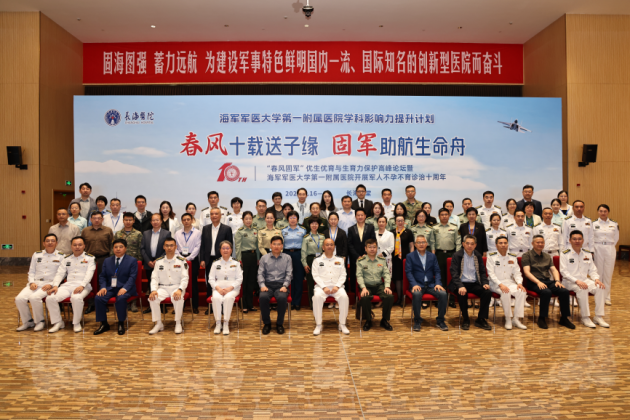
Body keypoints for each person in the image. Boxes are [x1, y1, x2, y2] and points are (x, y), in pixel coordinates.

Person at [522, 235, 574, 329]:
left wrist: (557, 281)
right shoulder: (527, 255)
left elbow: (554, 270)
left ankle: (564, 318)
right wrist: (538, 282)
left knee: (564, 291)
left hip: (547, 281)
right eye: (538, 242)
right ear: (532, 243)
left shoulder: (547, 256)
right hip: (533, 282)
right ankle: (542, 318)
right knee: (546, 292)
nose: (540, 244)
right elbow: (527, 272)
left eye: (542, 242)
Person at [15, 234, 64, 332]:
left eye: (52, 241)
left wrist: (52, 284)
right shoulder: (37, 254)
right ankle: (28, 321)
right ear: (43, 243)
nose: (50, 243)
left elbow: (61, 274)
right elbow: (31, 271)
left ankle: (40, 321)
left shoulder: (61, 256)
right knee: (19, 299)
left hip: (49, 285)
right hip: (35, 283)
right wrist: (31, 282)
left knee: (34, 298)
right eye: (47, 241)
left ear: (56, 243)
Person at [560, 230, 609, 328]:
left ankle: (598, 316)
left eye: (579, 239)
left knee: (600, 287)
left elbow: (592, 269)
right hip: (570, 282)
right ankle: (585, 317)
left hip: (585, 280)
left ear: (583, 240)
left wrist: (596, 279)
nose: (577, 241)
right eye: (574, 239)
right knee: (583, 288)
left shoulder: (587, 253)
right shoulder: (565, 254)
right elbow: (564, 272)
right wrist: (576, 281)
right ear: (570, 240)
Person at [47, 237, 95, 333]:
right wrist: (55, 285)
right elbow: (60, 273)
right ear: (71, 246)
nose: (77, 247)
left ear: (84, 246)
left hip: (83, 285)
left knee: (76, 298)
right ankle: (58, 322)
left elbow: (89, 273)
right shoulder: (66, 258)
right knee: (50, 298)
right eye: (75, 245)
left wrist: (82, 285)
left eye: (80, 245)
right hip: (68, 285)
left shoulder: (90, 258)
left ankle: (76, 323)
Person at [94, 238, 138, 336]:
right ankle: (104, 324)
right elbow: (102, 276)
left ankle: (121, 323)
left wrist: (124, 288)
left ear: (125, 248)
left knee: (121, 298)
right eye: (116, 247)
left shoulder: (132, 260)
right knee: (98, 298)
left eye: (121, 247)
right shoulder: (107, 260)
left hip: (126, 288)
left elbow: (132, 277)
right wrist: (103, 287)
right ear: (112, 249)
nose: (118, 249)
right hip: (110, 288)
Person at [405, 234, 448, 331]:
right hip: (417, 285)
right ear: (415, 244)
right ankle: (417, 320)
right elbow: (408, 272)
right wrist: (414, 284)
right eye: (419, 242)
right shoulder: (410, 256)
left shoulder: (432, 256)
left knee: (443, 294)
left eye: (423, 242)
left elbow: (437, 271)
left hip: (431, 284)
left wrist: (438, 283)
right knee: (416, 295)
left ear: (426, 244)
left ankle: (440, 320)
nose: (421, 244)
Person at [449, 235, 492, 331]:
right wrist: (460, 285)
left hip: (474, 283)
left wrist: (485, 282)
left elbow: (482, 271)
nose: (469, 246)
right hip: (461, 283)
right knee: (462, 293)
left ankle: (481, 319)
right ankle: (465, 319)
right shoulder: (457, 255)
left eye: (472, 244)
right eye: (467, 243)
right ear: (463, 244)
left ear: (475, 245)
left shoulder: (478, 255)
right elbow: (454, 273)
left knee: (487, 292)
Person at [148, 238, 189, 335]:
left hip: (177, 287)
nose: (169, 248)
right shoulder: (159, 262)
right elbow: (154, 278)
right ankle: (158, 323)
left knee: (178, 298)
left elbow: (185, 278)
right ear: (164, 247)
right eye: (167, 245)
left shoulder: (182, 261)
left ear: (176, 247)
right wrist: (153, 290)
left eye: (171, 245)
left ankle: (178, 323)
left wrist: (180, 289)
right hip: (163, 288)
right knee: (152, 298)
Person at [486, 237, 527, 330]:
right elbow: (491, 274)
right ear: (496, 245)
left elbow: (517, 272)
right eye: (500, 243)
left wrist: (519, 283)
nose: (503, 245)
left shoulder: (512, 256)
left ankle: (516, 319)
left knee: (521, 291)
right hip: (495, 284)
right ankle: (508, 318)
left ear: (508, 244)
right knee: (506, 292)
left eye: (505, 243)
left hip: (509, 282)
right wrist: (500, 284)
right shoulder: (491, 257)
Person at [311, 238, 350, 335]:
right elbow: (315, 275)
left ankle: (342, 324)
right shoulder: (317, 260)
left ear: (334, 247)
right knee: (317, 297)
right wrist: (324, 287)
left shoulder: (340, 260)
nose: (329, 246)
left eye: (331, 244)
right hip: (321, 287)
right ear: (323, 247)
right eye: (327, 245)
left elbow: (343, 275)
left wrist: (337, 286)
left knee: (344, 297)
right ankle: (318, 324)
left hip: (337, 287)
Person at [200, 207, 234, 314]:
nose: (214, 216)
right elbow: (202, 245)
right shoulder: (205, 228)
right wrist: (202, 259)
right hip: (209, 259)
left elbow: (230, 245)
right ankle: (211, 306)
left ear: (220, 215)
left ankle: (223, 307)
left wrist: (227, 259)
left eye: (216, 214)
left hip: (222, 260)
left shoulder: (226, 229)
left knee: (222, 282)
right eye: (212, 214)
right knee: (211, 282)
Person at [258, 236, 293, 335]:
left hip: (281, 285)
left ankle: (279, 324)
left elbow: (289, 274)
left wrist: (285, 286)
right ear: (270, 245)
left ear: (282, 246)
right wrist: (262, 285)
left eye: (278, 244)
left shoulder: (287, 258)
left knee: (282, 298)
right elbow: (260, 273)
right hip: (267, 285)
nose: (276, 246)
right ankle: (267, 323)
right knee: (263, 297)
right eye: (274, 244)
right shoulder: (264, 258)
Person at [357, 239, 394, 331]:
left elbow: (386, 274)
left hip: (379, 285)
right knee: (365, 297)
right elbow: (359, 276)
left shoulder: (382, 260)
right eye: (370, 247)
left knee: (389, 296)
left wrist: (387, 286)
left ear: (377, 248)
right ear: (365, 248)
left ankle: (384, 320)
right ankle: (368, 320)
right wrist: (363, 288)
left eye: (374, 247)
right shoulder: (361, 261)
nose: (372, 249)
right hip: (366, 286)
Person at [82, 211, 114, 314]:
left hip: (103, 259)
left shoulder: (108, 230)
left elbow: (111, 246)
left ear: (102, 219)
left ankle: (103, 303)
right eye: (94, 218)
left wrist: (111, 259)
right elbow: (82, 245)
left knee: (103, 281)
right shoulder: (85, 231)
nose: (96, 220)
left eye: (99, 218)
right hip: (89, 259)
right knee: (90, 281)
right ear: (91, 219)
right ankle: (91, 304)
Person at [208, 241, 242, 335]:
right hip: (218, 288)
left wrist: (230, 288)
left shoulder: (236, 263)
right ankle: (218, 323)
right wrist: (218, 288)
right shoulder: (215, 263)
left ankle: (226, 323)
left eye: (227, 248)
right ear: (220, 250)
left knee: (228, 298)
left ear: (231, 250)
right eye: (223, 248)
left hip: (232, 288)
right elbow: (211, 279)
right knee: (216, 298)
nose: (225, 250)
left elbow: (239, 279)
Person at [141, 213, 172, 313]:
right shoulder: (145, 233)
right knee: (151, 284)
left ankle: (163, 306)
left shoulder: (166, 233)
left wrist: (157, 260)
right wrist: (148, 261)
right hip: (149, 263)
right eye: (153, 220)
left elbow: (167, 248)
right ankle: (152, 306)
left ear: (161, 221)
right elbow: (142, 249)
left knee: (162, 283)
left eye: (157, 220)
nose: (155, 222)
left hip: (162, 262)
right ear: (151, 222)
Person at [113, 212, 143, 312]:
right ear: (123, 221)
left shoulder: (138, 234)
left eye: (130, 220)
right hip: (120, 262)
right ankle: (124, 301)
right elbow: (113, 248)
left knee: (133, 281)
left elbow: (140, 248)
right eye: (126, 220)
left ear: (133, 221)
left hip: (134, 262)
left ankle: (133, 303)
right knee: (121, 281)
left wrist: (139, 261)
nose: (128, 222)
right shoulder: (118, 234)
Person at [432, 208, 461, 308]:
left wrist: (457, 255)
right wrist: (433, 255)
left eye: (446, 214)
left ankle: (451, 299)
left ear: (449, 216)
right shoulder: (434, 228)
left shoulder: (454, 227)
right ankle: (439, 299)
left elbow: (458, 242)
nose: (444, 216)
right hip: (439, 254)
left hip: (451, 254)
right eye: (442, 214)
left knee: (451, 276)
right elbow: (432, 242)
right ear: (439, 216)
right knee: (439, 277)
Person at [175, 212, 201, 314]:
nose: (186, 221)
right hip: (180, 258)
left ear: (192, 220)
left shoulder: (197, 233)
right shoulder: (177, 233)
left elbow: (197, 247)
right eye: (184, 220)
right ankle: (180, 306)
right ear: (182, 221)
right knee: (180, 282)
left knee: (193, 283)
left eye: (188, 219)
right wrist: (181, 258)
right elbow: (175, 247)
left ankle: (195, 306)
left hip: (193, 259)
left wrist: (189, 258)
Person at [592, 204, 618, 306]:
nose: (603, 213)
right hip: (597, 248)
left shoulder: (614, 224)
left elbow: (616, 238)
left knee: (608, 273)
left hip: (610, 248)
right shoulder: (593, 224)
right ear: (598, 212)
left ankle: (607, 297)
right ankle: (599, 296)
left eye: (605, 211)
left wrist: (609, 246)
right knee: (598, 273)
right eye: (601, 211)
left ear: (608, 212)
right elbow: (591, 237)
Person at [234, 211, 260, 314]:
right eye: (246, 219)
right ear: (243, 220)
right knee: (244, 282)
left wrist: (257, 258)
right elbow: (237, 247)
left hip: (253, 257)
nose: (248, 220)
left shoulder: (255, 231)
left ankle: (250, 305)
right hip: (244, 257)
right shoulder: (240, 232)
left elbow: (257, 246)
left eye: (250, 218)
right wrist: (239, 260)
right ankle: (244, 305)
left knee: (251, 281)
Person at [347, 208, 377, 295]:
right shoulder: (351, 229)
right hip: (355, 258)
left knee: (367, 276)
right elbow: (350, 244)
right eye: (358, 215)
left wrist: (366, 254)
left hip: (367, 257)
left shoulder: (370, 227)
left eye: (362, 215)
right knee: (355, 276)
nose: (360, 217)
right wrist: (357, 256)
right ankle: (356, 296)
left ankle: (368, 294)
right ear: (355, 216)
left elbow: (373, 242)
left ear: (365, 216)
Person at [282, 210, 306, 311]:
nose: (292, 219)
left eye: (294, 218)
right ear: (287, 219)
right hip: (286, 254)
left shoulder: (303, 230)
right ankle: (289, 301)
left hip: (298, 254)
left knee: (298, 278)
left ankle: (297, 302)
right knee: (287, 278)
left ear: (298, 219)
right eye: (290, 218)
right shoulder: (283, 231)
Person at [302, 216, 326, 308]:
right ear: (309, 225)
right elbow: (303, 252)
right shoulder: (306, 238)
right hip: (310, 260)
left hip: (321, 260)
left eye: (316, 223)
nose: (314, 225)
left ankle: (321, 302)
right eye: (312, 223)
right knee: (311, 283)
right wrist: (305, 264)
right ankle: (313, 304)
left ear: (319, 225)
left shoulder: (322, 237)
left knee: (321, 281)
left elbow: (325, 250)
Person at [391, 215, 415, 307]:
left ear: (404, 222)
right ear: (395, 222)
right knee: (397, 278)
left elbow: (412, 246)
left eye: (401, 220)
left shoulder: (408, 232)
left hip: (406, 258)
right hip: (395, 258)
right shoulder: (392, 232)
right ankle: (399, 299)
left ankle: (403, 299)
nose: (400, 222)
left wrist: (411, 257)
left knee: (404, 277)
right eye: (398, 220)